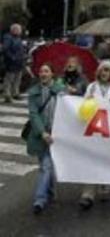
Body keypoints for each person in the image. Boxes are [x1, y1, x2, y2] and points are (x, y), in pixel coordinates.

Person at [79, 61, 110, 210]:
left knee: (106, 159)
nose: (104, 73)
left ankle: (105, 185)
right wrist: (87, 100)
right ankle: (87, 194)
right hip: (94, 128)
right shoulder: (92, 86)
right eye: (102, 70)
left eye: (107, 70)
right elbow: (83, 104)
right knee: (91, 159)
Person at [27, 63, 65, 214]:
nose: (43, 73)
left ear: (52, 74)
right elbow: (33, 114)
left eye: (46, 71)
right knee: (45, 165)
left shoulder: (60, 90)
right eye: (41, 71)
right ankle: (49, 191)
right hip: (40, 135)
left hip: (56, 135)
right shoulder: (33, 92)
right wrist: (42, 132)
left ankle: (40, 199)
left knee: (46, 166)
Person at [3, 23, 26, 103]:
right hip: (11, 62)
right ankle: (7, 95)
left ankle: (15, 93)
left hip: (19, 61)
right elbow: (5, 49)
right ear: (14, 30)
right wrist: (12, 57)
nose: (20, 31)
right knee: (9, 79)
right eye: (19, 30)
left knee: (18, 78)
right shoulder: (8, 37)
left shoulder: (18, 38)